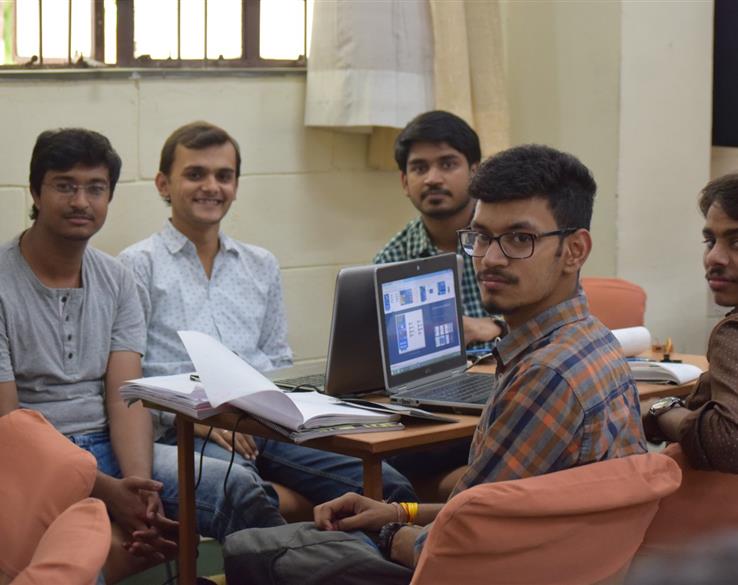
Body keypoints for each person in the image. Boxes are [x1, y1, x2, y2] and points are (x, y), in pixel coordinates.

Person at [222, 144, 647, 585]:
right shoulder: (593, 341)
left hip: (483, 575)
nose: (491, 258)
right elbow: (485, 510)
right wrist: (396, 512)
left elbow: (458, 546)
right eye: (481, 237)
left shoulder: (545, 376)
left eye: (520, 239)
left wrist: (389, 532)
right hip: (555, 563)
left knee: (255, 550)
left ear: (575, 250)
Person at [0, 128, 288, 584]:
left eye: (96, 188)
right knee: (80, 561)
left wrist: (139, 487)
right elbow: (10, 424)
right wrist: (109, 491)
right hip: (32, 462)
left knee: (237, 488)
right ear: (35, 192)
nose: (81, 201)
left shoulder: (117, 279)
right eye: (65, 186)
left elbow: (125, 395)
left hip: (107, 446)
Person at [118, 121, 416, 509]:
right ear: (163, 184)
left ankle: (368, 552)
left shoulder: (260, 264)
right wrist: (194, 419)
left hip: (267, 424)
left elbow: (278, 360)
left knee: (387, 485)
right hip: (189, 428)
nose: (211, 186)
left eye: (224, 176)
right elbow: (130, 381)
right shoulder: (136, 266)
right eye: (195, 174)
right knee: (245, 489)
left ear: (236, 186)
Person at [374, 110, 506, 347]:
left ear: (475, 173)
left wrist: (498, 327)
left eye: (447, 164)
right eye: (419, 168)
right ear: (405, 182)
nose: (432, 179)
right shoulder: (390, 262)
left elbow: (550, 321)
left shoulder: (510, 241)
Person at [641, 173, 738, 473]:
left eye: (737, 242)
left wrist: (659, 411)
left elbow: (729, 442)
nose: (714, 258)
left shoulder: (732, 333)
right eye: (710, 241)